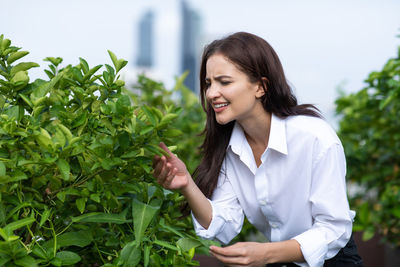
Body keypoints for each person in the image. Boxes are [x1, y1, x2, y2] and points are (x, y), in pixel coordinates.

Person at [152, 32, 363, 267]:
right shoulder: (231, 146)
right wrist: (186, 185)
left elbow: (334, 230)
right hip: (278, 260)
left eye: (225, 82)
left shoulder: (315, 138)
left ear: (261, 87)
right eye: (208, 83)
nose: (211, 93)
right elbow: (224, 224)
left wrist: (265, 254)